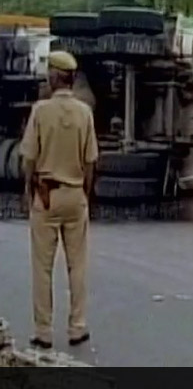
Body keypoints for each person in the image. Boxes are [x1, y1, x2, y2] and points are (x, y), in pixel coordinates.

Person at [20, 51, 98, 349]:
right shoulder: (84, 113)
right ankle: (77, 327)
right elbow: (91, 161)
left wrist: (28, 190)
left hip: (46, 195)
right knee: (77, 265)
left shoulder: (40, 112)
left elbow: (29, 158)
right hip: (75, 194)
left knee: (42, 267)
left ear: (54, 78)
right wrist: (85, 194)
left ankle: (43, 331)